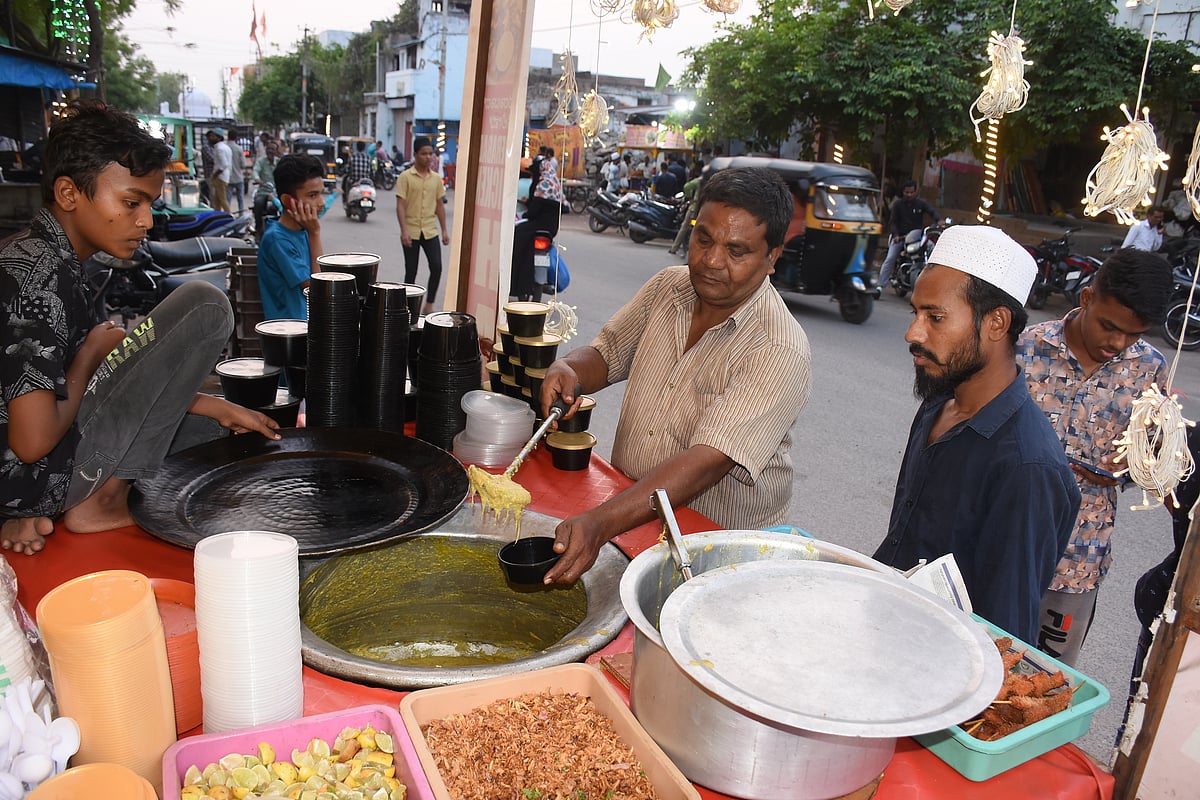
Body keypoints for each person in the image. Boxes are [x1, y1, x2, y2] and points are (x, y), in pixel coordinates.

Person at [0, 102, 280, 555]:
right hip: (32, 475)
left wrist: (207, 404)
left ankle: (80, 494)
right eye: (131, 202)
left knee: (211, 435)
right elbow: (32, 442)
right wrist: (93, 352)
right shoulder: (37, 280)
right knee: (203, 304)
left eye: (149, 203)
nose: (146, 221)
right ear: (69, 193)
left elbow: (97, 384)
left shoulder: (45, 258)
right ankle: (100, 501)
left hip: (35, 469)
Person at [539, 167, 812, 585]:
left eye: (736, 251)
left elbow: (706, 463)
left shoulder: (778, 348)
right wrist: (568, 367)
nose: (711, 261)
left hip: (718, 553)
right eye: (703, 239)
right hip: (633, 512)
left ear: (772, 257)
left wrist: (600, 523)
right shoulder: (668, 287)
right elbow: (607, 354)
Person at [872, 225, 1080, 645]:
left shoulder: (1027, 467)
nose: (913, 333)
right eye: (915, 314)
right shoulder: (938, 403)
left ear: (996, 323)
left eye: (935, 317)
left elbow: (1004, 635)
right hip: (888, 630)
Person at [1018, 248, 1173, 665]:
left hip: (1078, 556)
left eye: (1133, 334)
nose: (1117, 343)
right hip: (1007, 538)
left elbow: (1153, 462)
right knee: (981, 659)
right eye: (1109, 326)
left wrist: (1137, 467)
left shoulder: (1150, 369)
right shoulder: (1026, 348)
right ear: (1086, 298)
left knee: (1045, 676)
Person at [257, 153, 326, 321]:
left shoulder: (302, 231)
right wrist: (315, 233)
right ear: (288, 201)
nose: (321, 202)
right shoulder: (277, 239)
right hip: (292, 332)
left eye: (321, 193)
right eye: (312, 195)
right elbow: (317, 289)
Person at [395, 137, 448, 315]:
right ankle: (407, 306)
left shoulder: (435, 179)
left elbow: (439, 205)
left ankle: (430, 303)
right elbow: (400, 205)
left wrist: (444, 230)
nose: (428, 157)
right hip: (411, 231)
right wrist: (404, 230)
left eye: (430, 153)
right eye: (424, 153)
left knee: (437, 266)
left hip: (430, 230)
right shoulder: (405, 177)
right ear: (416, 154)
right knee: (411, 271)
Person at [511, 147, 562, 301]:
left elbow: (533, 212)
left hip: (538, 225)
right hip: (551, 229)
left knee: (517, 236)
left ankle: (517, 281)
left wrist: (526, 214)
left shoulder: (542, 185)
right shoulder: (554, 183)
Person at [878, 180, 938, 286]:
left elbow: (932, 211)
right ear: (903, 192)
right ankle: (880, 285)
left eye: (911, 192)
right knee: (890, 258)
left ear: (915, 192)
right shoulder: (898, 205)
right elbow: (893, 222)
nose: (909, 195)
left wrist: (939, 220)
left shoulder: (921, 203)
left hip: (916, 237)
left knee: (931, 249)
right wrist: (896, 235)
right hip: (900, 238)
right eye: (907, 192)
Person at [251, 138, 280, 242]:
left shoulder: (279, 162)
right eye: (268, 149)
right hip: (264, 190)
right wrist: (258, 179)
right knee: (258, 204)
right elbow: (255, 171)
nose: (270, 151)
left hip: (277, 192)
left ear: (276, 151)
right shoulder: (261, 161)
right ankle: (258, 229)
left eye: (273, 149)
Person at [667, 173, 702, 256]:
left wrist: (689, 197)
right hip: (704, 211)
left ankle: (674, 248)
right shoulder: (713, 182)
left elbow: (687, 187)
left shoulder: (699, 180)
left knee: (684, 227)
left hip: (693, 208)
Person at [208, 127, 233, 213]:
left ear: (218, 138)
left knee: (222, 200)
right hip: (224, 176)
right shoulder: (225, 147)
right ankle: (217, 216)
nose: (210, 138)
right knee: (217, 200)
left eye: (213, 136)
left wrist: (215, 175)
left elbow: (224, 164)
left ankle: (230, 216)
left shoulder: (219, 149)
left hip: (220, 177)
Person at [227, 136, 247, 214]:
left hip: (228, 177)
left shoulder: (225, 148)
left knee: (228, 198)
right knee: (240, 198)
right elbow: (243, 164)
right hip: (238, 177)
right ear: (236, 138)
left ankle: (227, 214)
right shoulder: (239, 148)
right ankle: (241, 214)